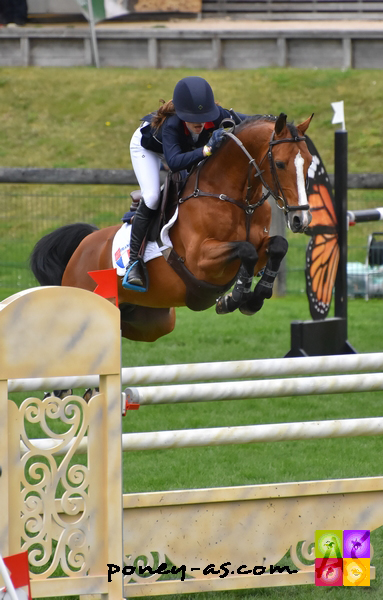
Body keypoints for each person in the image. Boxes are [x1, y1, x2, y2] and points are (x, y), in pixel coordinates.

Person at [124, 76, 249, 291]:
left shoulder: (218, 116)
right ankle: (133, 261)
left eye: (204, 117)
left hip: (182, 151)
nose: (200, 123)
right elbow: (173, 162)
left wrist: (276, 123)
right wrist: (206, 150)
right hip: (148, 149)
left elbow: (251, 122)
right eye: (193, 119)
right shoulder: (172, 125)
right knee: (153, 196)